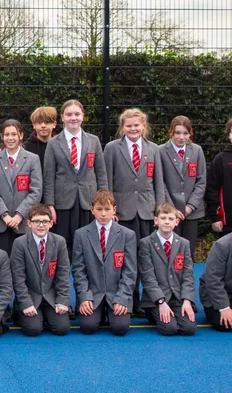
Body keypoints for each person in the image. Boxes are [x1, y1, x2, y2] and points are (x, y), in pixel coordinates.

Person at [104, 108, 166, 313]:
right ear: (122, 127)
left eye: (137, 125)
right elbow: (107, 182)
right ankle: (127, 298)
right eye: (128, 125)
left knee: (145, 257)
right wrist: (111, 210)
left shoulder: (154, 149)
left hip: (147, 211)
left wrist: (160, 211)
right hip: (123, 212)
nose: (133, 129)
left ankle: (146, 300)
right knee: (124, 257)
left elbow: (159, 182)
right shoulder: (112, 148)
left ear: (144, 126)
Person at [42, 99, 107, 261]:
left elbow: (101, 174)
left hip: (88, 201)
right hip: (63, 202)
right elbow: (48, 176)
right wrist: (50, 205)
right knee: (63, 248)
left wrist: (103, 203)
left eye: (77, 114)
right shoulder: (53, 143)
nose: (73, 118)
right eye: (69, 114)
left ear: (83, 116)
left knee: (88, 246)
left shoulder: (94, 141)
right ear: (62, 117)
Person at [72, 190, 137, 336]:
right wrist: (84, 297)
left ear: (114, 210)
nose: (103, 214)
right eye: (99, 209)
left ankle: (110, 310)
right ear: (92, 210)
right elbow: (78, 270)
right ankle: (99, 312)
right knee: (88, 327)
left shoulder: (127, 235)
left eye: (107, 209)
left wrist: (122, 298)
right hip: (93, 294)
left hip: (116, 293)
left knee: (120, 328)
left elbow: (130, 271)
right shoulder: (81, 234)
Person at [10, 204, 70, 337]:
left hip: (51, 296)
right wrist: (25, 303)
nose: (41, 225)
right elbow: (18, 278)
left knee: (62, 329)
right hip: (30, 296)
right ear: (29, 223)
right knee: (33, 329)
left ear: (51, 223)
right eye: (37, 221)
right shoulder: (20, 244)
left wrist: (62, 301)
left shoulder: (59, 242)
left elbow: (63, 274)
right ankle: (20, 312)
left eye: (45, 221)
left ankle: (46, 316)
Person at [138, 203, 196, 336]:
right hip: (156, 300)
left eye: (170, 219)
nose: (167, 222)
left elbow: (188, 275)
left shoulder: (184, 244)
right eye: (163, 218)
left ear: (176, 222)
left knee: (189, 329)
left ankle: (176, 312)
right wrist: (160, 301)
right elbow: (148, 277)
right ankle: (155, 314)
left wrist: (187, 300)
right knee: (169, 329)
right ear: (156, 220)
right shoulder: (146, 243)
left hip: (177, 298)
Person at [0, 119, 42, 253]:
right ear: (2, 137)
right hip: (0, 223)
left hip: (23, 224)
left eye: (14, 134)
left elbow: (36, 191)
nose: (10, 138)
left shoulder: (32, 159)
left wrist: (19, 215)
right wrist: (4, 215)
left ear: (21, 135)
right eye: (6, 135)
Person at [158, 116, 207, 258]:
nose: (181, 137)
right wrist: (171, 208)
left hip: (191, 213)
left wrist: (190, 206)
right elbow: (160, 182)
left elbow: (201, 181)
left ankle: (186, 280)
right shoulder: (160, 151)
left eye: (185, 133)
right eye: (177, 133)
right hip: (169, 211)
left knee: (188, 252)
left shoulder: (197, 150)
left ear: (190, 133)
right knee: (169, 251)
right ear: (171, 132)